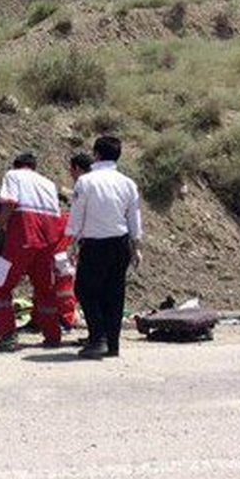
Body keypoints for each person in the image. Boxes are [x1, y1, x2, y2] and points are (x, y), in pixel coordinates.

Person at [67, 136, 143, 360]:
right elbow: (134, 217)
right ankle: (112, 344)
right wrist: (137, 245)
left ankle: (97, 338)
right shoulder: (127, 183)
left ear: (96, 154)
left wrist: (71, 242)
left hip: (94, 244)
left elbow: (77, 215)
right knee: (114, 293)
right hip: (120, 243)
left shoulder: (86, 182)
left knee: (85, 290)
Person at [0, 153, 64, 351]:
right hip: (47, 242)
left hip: (21, 240)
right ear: (34, 167)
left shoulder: (13, 175)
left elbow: (10, 203)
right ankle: (53, 336)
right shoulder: (48, 183)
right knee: (45, 291)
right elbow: (56, 213)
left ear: (16, 165)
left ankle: (7, 336)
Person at [47, 152, 93, 332]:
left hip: (77, 244)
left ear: (77, 169)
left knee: (66, 285)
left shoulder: (84, 186)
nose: (70, 173)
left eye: (71, 169)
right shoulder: (103, 184)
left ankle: (67, 320)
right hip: (93, 241)